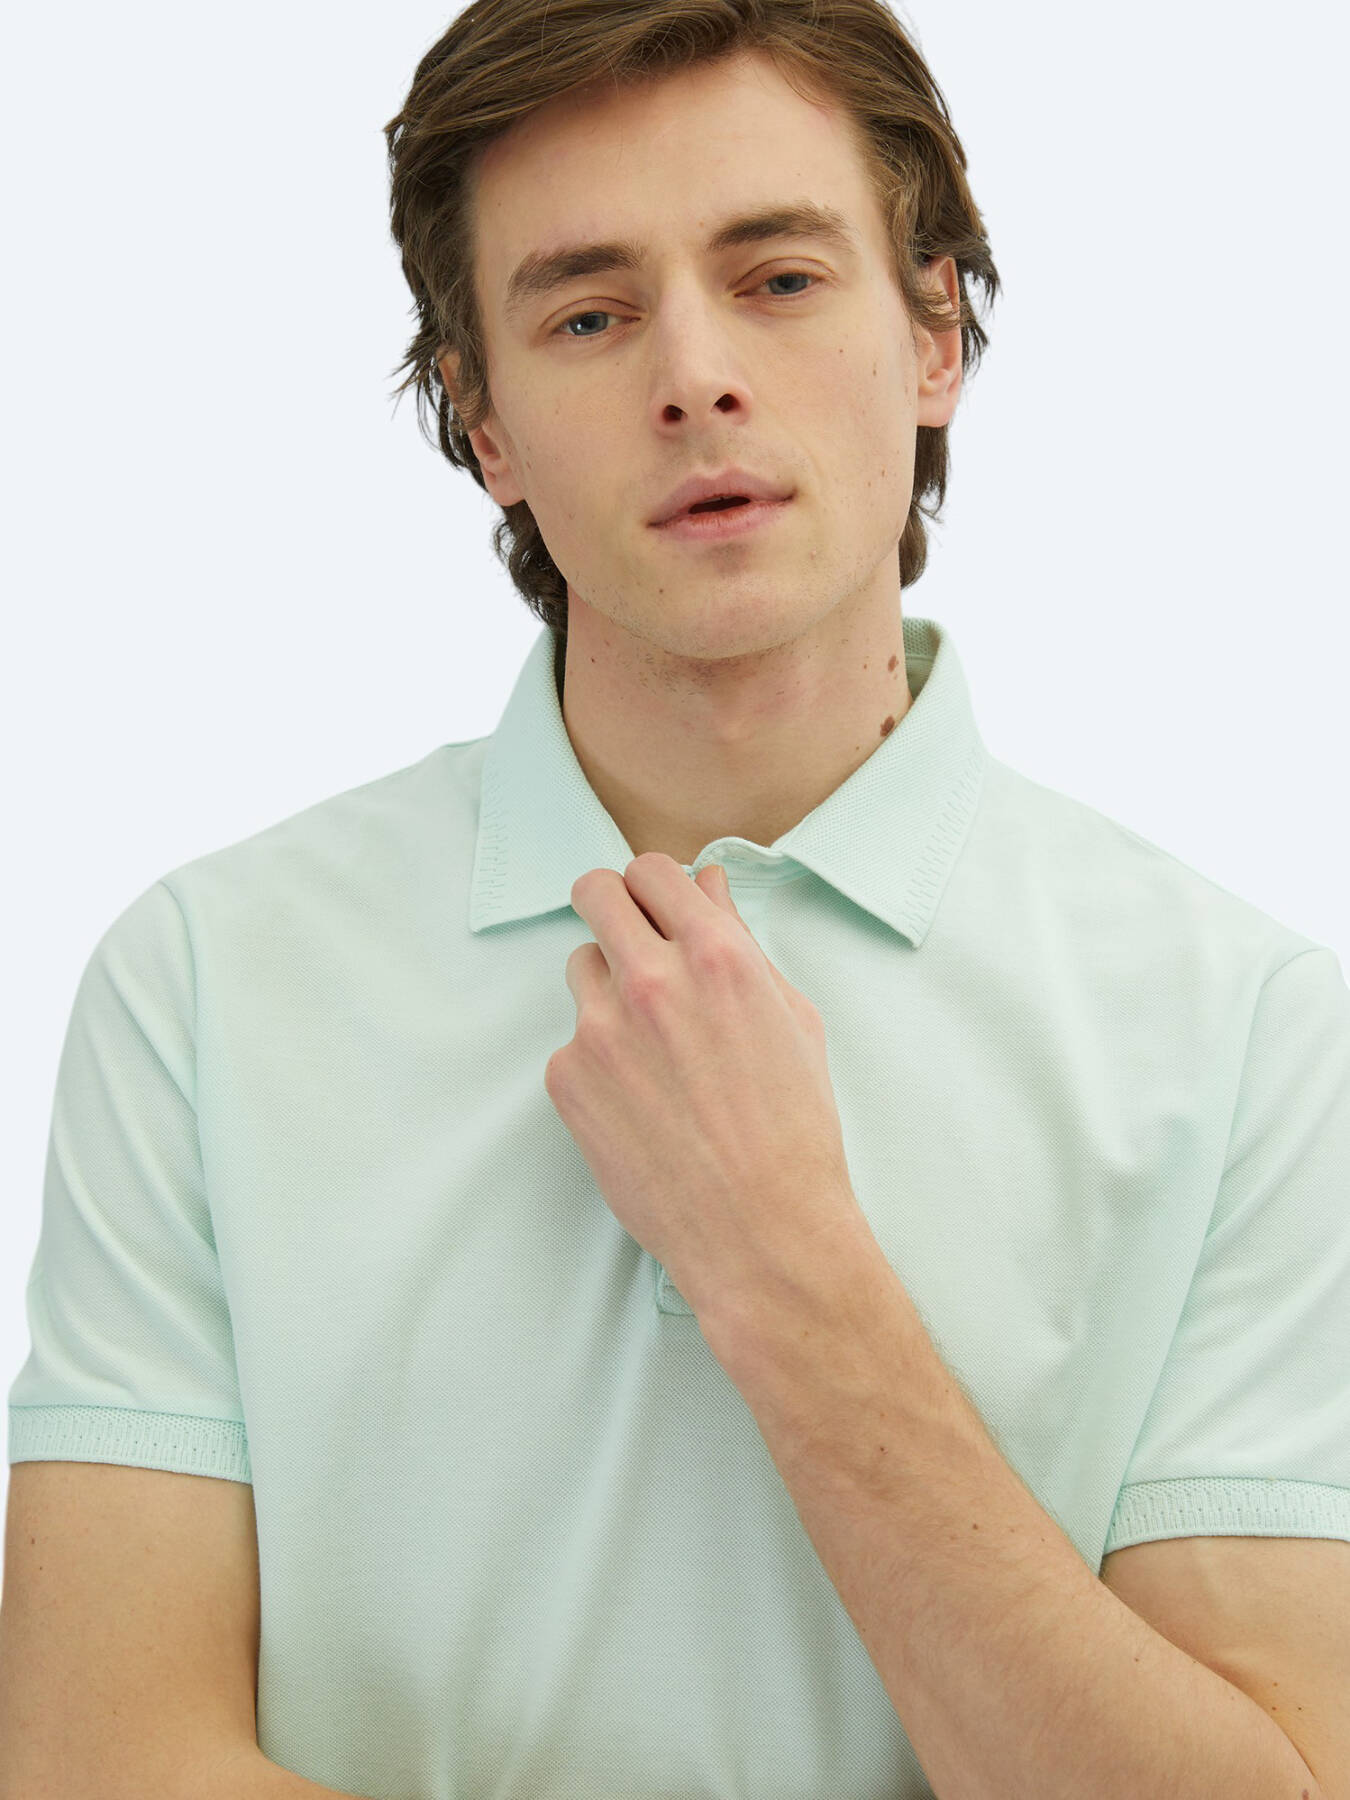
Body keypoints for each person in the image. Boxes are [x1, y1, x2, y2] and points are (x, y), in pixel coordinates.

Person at [4, 3, 1348, 1798]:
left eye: (777, 279)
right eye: (586, 314)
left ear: (933, 334)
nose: (694, 375)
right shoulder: (202, 983)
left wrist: (783, 1273)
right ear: (482, 421)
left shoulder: (1252, 1036)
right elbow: (99, 1761)